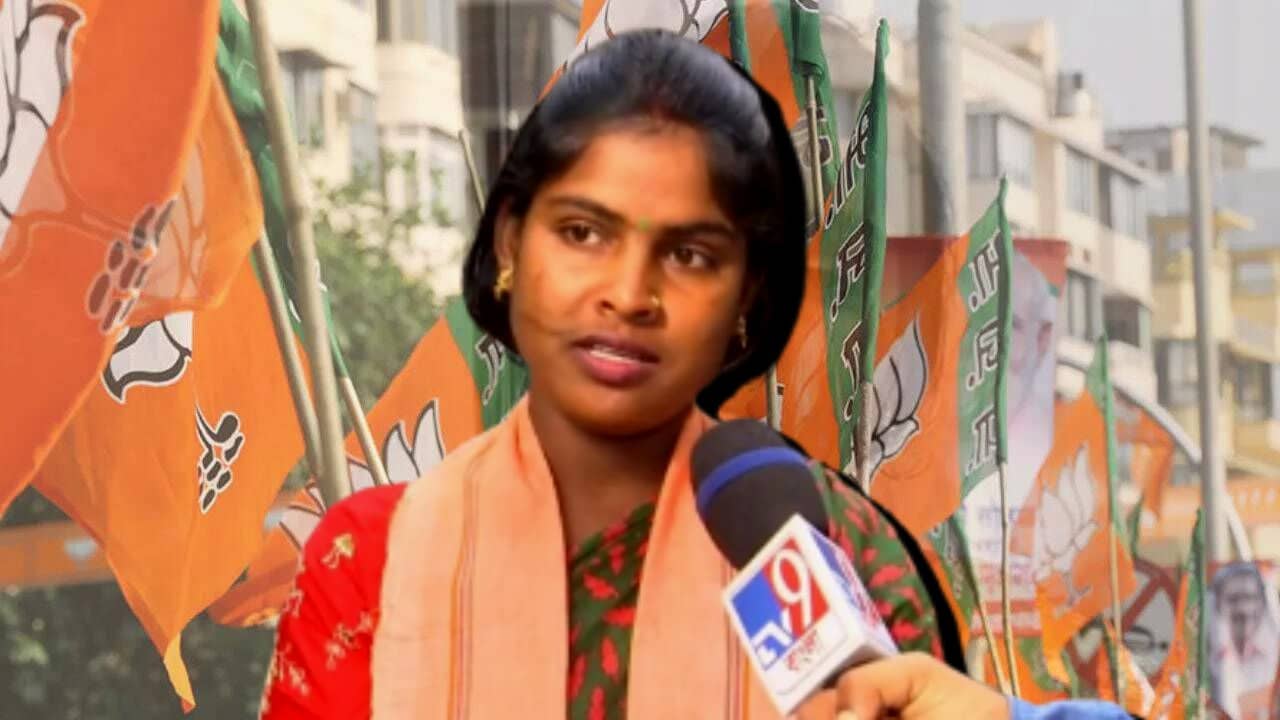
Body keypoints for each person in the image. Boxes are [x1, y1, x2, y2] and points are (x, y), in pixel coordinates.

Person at [261, 29, 960, 719]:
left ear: (746, 296)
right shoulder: (374, 560)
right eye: (583, 233)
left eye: (689, 255)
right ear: (510, 243)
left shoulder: (832, 547)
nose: (628, 294)